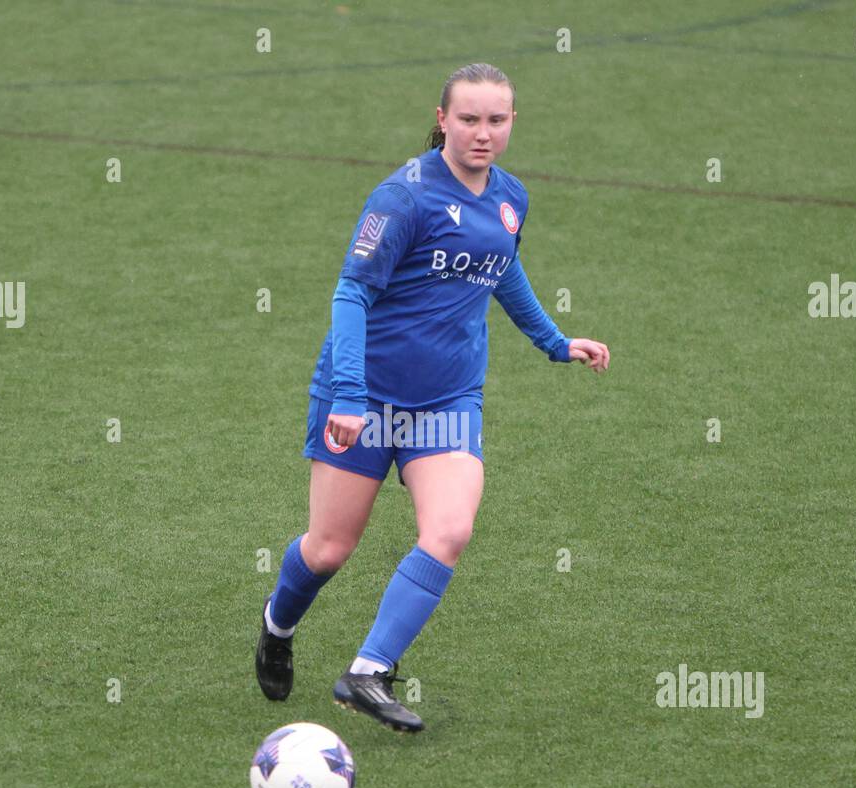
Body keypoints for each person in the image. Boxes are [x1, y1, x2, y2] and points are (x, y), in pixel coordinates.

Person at [256, 62, 611, 732]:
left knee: (449, 530)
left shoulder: (511, 198)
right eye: (469, 119)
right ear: (442, 119)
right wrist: (350, 398)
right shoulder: (403, 198)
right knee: (330, 549)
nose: (483, 133)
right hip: (365, 399)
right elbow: (351, 294)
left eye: (496, 121)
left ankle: (368, 671)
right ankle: (278, 624)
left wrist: (554, 341)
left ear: (511, 123)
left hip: (447, 400)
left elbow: (502, 268)